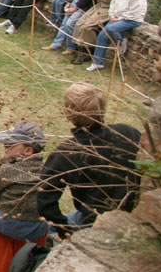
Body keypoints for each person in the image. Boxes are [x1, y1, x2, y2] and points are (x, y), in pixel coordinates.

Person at [37, 82, 141, 236]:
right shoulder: (128, 133)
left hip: (96, 224)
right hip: (132, 212)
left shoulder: (67, 152)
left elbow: (43, 199)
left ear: (68, 114)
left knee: (41, 233)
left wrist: (65, 232)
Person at [0, 123, 49, 241]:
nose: (5, 145)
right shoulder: (46, 171)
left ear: (28, 151)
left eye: (11, 144)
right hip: (38, 227)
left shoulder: (10, 169)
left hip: (9, 224)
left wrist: (3, 164)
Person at [87, 0, 147, 71]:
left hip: (132, 19)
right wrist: (112, 15)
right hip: (117, 17)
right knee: (102, 34)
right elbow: (113, 3)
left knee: (110, 28)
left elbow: (134, 12)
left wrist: (119, 18)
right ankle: (98, 63)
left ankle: (120, 40)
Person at [70, 0, 122, 64]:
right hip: (98, 6)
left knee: (87, 27)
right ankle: (78, 49)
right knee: (80, 23)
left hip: (107, 9)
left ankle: (88, 51)